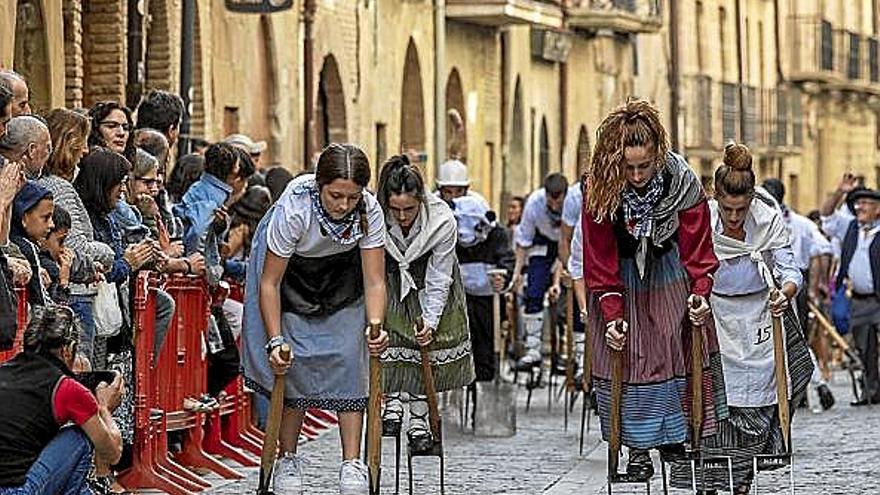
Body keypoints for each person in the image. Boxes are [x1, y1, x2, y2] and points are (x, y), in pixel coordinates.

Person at [582, 99, 727, 479]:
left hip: (669, 274)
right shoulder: (599, 187)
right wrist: (612, 313)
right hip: (621, 280)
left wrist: (701, 291)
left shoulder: (683, 183)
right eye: (627, 168)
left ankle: (676, 439)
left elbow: (699, 247)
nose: (636, 175)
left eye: (643, 166)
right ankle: (637, 447)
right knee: (631, 358)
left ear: (658, 154)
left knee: (670, 349)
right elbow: (599, 255)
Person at [241, 143, 389, 494]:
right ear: (319, 185)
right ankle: (287, 457)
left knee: (351, 357)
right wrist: (275, 340)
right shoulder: (295, 207)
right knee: (292, 362)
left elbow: (375, 279)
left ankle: (353, 462)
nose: (343, 205)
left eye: (352, 198)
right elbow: (269, 282)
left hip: (343, 274)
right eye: (335, 195)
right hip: (290, 274)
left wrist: (376, 327)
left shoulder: (369, 211)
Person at [669, 144, 814, 494]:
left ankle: (745, 473)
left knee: (767, 390)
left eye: (741, 209)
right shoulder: (702, 217)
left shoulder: (768, 219)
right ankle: (706, 478)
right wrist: (694, 300)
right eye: (728, 209)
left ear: (751, 200)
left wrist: (786, 292)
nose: (734, 218)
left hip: (759, 313)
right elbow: (685, 266)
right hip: (712, 311)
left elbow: (789, 267)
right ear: (717, 197)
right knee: (712, 398)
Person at [376, 155, 475, 452]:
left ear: (421, 199)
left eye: (409, 209)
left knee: (422, 345)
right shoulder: (375, 216)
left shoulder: (442, 221)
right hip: (389, 278)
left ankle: (419, 420)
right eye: (396, 210)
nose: (403, 216)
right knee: (390, 336)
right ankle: (391, 403)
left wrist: (430, 321)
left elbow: (440, 276)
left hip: (428, 279)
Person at [0, 304, 124, 494]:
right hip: (15, 490)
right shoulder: (67, 389)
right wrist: (104, 408)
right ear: (69, 350)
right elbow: (112, 453)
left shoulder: (4, 371)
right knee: (80, 436)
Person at [38, 108, 110, 362]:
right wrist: (110, 253)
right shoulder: (59, 187)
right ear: (68, 143)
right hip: (75, 294)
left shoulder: (54, 185)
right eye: (83, 142)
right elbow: (77, 245)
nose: (86, 151)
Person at [762, 178, 836, 411]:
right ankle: (806, 387)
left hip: (788, 287)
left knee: (791, 338)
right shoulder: (792, 221)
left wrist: (815, 285)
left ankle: (804, 386)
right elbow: (823, 249)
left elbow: (822, 249)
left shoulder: (795, 223)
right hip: (768, 285)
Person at [822, 181, 880, 406]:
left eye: (865, 203)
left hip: (878, 298)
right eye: (857, 203)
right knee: (864, 348)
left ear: (877, 208)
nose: (859, 207)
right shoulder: (850, 226)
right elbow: (826, 216)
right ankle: (871, 391)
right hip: (859, 300)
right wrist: (840, 192)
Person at [510, 172, 568, 370]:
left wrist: (556, 282)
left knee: (570, 299)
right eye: (550, 202)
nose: (554, 206)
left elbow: (566, 245)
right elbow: (523, 240)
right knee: (533, 290)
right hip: (542, 244)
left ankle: (570, 351)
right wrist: (517, 273)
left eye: (557, 202)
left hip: (569, 245)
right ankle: (533, 349)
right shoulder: (534, 203)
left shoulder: (574, 203)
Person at [452, 194, 513, 382]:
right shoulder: (450, 234)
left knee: (487, 343)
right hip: (461, 297)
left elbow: (507, 261)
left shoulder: (497, 235)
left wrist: (503, 278)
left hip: (489, 298)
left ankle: (486, 378)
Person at [10, 181, 56, 306]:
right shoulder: (26, 248)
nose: (52, 225)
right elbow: (41, 301)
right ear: (24, 218)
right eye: (46, 218)